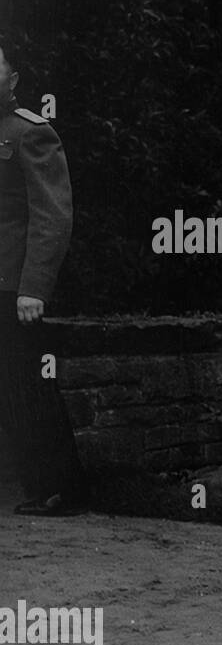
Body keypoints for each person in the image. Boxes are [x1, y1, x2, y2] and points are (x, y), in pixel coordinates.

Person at [0, 36, 86, 517]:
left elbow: (52, 215)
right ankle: (35, 485)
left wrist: (34, 287)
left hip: (12, 285)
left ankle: (62, 488)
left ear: (13, 79)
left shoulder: (30, 131)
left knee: (27, 384)